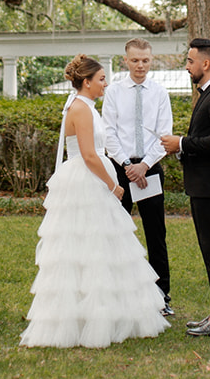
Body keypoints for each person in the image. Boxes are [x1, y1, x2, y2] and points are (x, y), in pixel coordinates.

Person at [20, 55, 169, 348]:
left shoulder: (83, 106)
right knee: (92, 247)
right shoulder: (81, 109)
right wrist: (113, 185)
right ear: (86, 82)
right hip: (89, 181)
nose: (105, 84)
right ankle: (92, 315)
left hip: (89, 176)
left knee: (99, 247)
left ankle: (106, 311)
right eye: (101, 79)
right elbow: (89, 155)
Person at [159, 37, 210, 337]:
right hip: (204, 185)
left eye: (190, 60)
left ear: (206, 64)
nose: (187, 65)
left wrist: (181, 142)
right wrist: (181, 148)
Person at [101, 37, 174, 314]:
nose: (140, 65)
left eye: (145, 60)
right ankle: (116, 294)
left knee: (156, 234)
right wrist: (126, 165)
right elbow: (109, 133)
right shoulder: (114, 92)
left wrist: (144, 165)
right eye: (135, 60)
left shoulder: (159, 93)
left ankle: (161, 297)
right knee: (116, 232)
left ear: (151, 60)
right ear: (126, 60)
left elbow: (164, 134)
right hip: (120, 171)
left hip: (150, 169)